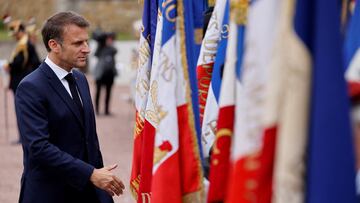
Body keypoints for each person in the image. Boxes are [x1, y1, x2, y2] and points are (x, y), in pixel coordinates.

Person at [14, 11, 124, 203]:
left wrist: (101, 190)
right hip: (50, 195)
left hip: (88, 193)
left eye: (86, 41)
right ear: (54, 45)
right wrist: (90, 173)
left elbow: (89, 139)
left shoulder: (80, 80)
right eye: (77, 43)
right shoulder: (31, 86)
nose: (87, 49)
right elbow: (39, 148)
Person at [2, 19, 40, 144]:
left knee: (23, 110)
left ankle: (24, 137)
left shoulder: (25, 44)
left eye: (16, 33)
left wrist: (9, 65)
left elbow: (20, 63)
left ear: (21, 32)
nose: (14, 36)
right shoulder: (25, 43)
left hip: (21, 80)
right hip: (24, 80)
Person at [93, 31, 118, 115]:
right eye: (108, 39)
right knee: (98, 92)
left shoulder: (112, 49)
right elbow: (95, 54)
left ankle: (106, 111)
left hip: (110, 74)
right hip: (100, 74)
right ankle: (96, 110)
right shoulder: (100, 48)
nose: (109, 41)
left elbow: (115, 51)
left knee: (108, 93)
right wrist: (101, 43)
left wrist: (109, 44)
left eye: (111, 39)